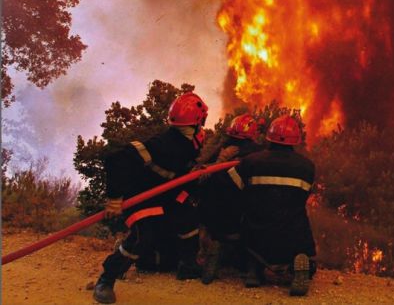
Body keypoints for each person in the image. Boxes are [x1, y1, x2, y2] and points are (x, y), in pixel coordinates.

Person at [93, 92, 209, 304]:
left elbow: (175, 175)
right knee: (143, 237)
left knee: (189, 216)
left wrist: (195, 175)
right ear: (197, 121)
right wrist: (114, 198)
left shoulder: (187, 143)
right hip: (141, 197)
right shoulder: (164, 144)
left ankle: (188, 265)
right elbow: (115, 159)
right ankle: (106, 279)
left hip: (164, 195)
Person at [227, 114, 316, 296]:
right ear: (295, 140)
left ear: (269, 136)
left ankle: (254, 270)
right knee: (303, 246)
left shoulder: (251, 161)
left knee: (248, 241)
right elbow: (305, 196)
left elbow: (233, 189)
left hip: (257, 232)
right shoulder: (307, 167)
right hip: (293, 234)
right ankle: (297, 266)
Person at [198, 113, 265, 284]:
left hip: (213, 217)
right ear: (253, 134)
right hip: (242, 218)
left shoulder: (220, 151)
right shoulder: (258, 154)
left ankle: (215, 250)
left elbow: (201, 174)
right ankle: (251, 268)